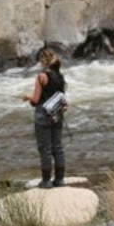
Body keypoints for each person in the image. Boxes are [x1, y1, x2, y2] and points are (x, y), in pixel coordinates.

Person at [21, 47, 68, 188]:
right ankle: (59, 180)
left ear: (43, 61)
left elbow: (35, 100)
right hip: (57, 115)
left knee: (45, 149)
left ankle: (46, 181)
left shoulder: (41, 76)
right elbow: (63, 100)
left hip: (43, 116)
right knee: (58, 147)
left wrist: (26, 97)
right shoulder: (60, 76)